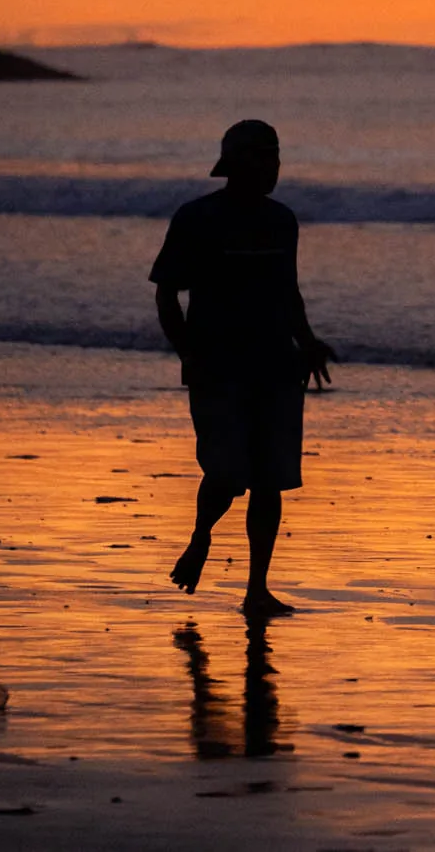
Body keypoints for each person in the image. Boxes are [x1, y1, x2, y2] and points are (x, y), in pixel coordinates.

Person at [152, 119, 335, 618]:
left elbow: (288, 292)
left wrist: (308, 343)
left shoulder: (282, 221)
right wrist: (187, 351)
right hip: (218, 367)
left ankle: (257, 587)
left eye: (276, 157)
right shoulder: (197, 218)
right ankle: (201, 536)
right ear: (235, 164)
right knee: (228, 473)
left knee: (270, 480)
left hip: (277, 365)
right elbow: (167, 291)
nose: (273, 167)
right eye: (262, 157)